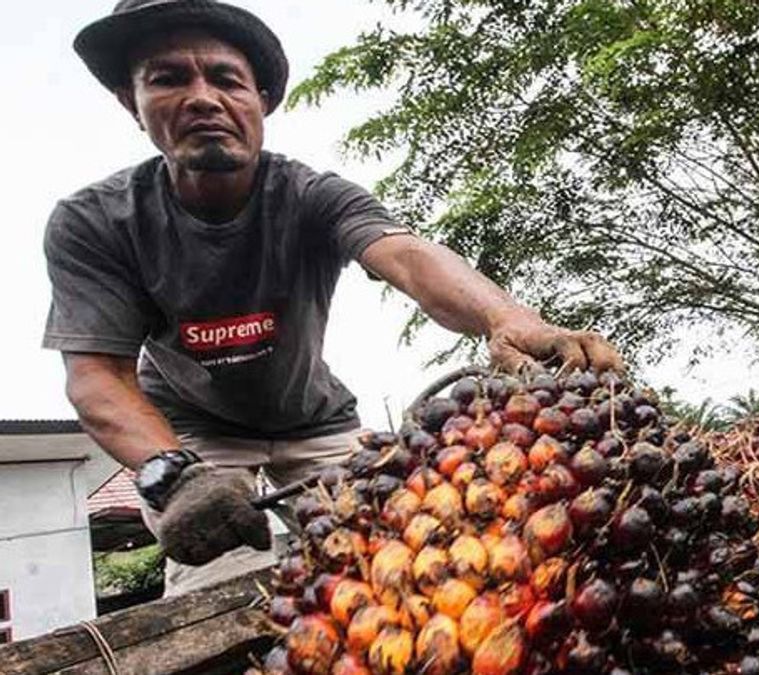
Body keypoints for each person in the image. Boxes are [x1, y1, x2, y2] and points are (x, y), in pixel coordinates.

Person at [43, 0, 622, 596]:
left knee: (391, 570)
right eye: (168, 78)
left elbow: (407, 256)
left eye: (226, 79)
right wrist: (170, 472)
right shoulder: (95, 222)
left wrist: (507, 319)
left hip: (313, 420)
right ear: (129, 103)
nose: (202, 98)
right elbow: (98, 378)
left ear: (261, 101)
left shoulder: (311, 195)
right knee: (217, 591)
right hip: (190, 434)